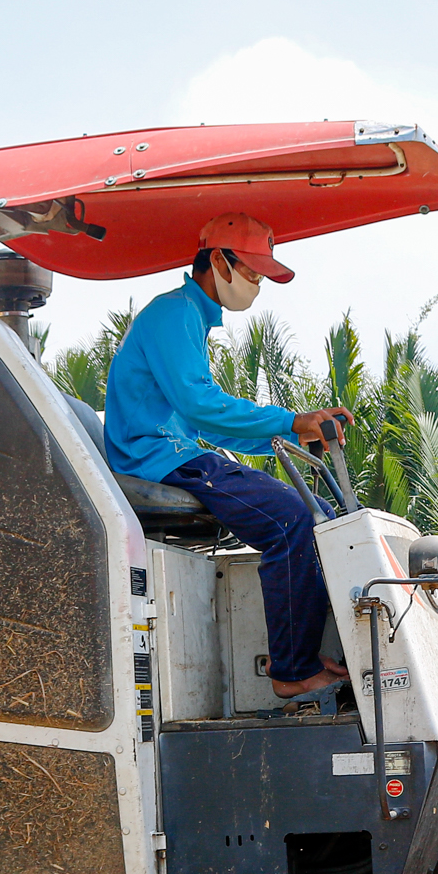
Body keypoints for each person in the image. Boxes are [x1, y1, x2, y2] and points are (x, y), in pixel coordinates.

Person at [103, 213, 355, 699]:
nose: (257, 285)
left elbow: (203, 420)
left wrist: (294, 437)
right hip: (158, 458)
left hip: (178, 451)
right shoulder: (174, 313)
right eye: (253, 272)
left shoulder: (191, 319)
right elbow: (202, 406)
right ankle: (291, 671)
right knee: (291, 519)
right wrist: (289, 422)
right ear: (218, 260)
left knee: (318, 514)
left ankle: (305, 653)